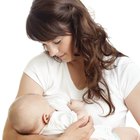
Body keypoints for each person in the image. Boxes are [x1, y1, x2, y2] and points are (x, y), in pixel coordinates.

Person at [3, 0, 140, 140]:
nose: (52, 52)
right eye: (45, 44)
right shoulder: (39, 68)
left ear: (78, 28)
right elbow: (9, 136)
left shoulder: (122, 70)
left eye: (57, 42)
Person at [8, 93, 139, 140]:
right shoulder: (56, 120)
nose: (51, 104)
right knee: (132, 133)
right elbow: (81, 120)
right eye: (47, 104)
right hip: (102, 136)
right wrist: (78, 108)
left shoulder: (42, 133)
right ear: (45, 118)